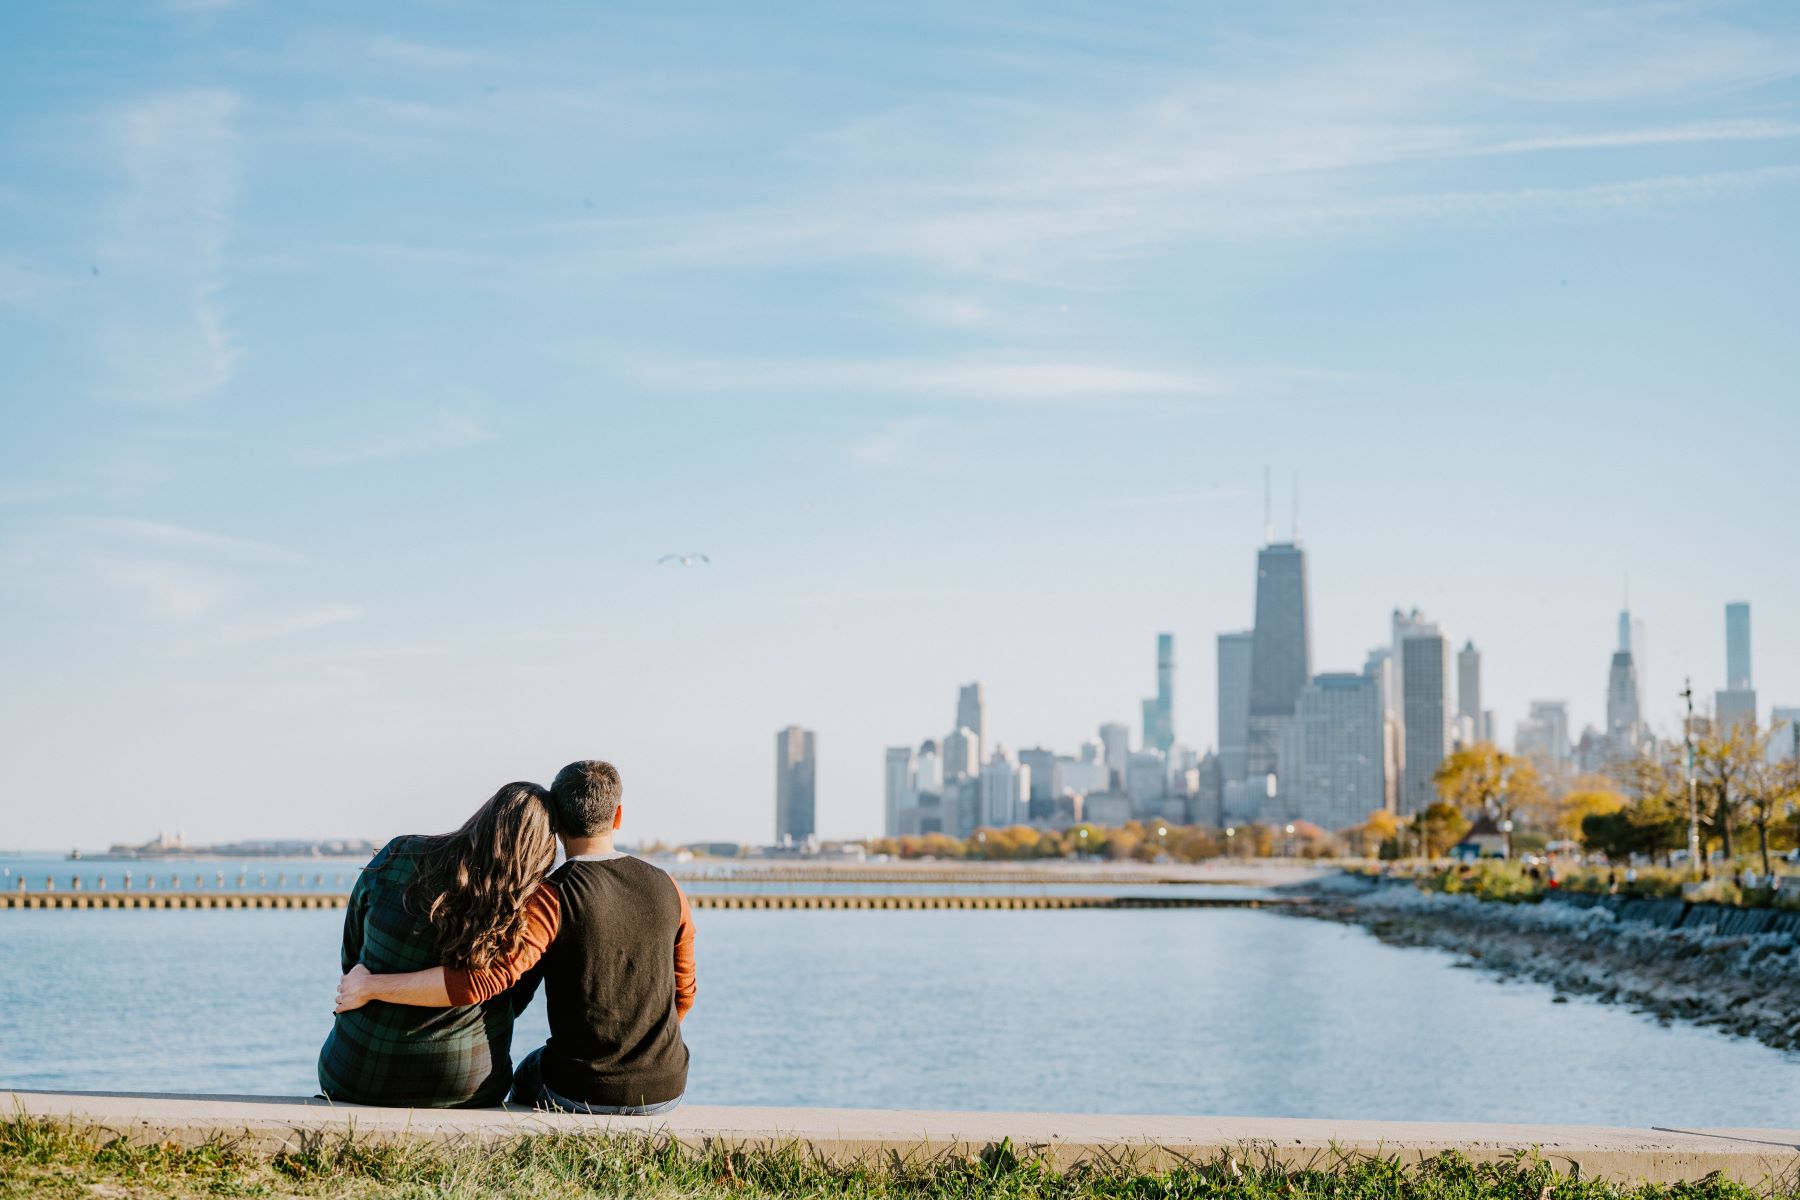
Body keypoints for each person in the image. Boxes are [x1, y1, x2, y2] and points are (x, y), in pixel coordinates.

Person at [337, 760, 696, 1114]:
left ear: (556, 824)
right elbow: (684, 993)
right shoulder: (670, 887)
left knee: (526, 1070)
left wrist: (371, 986)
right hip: (668, 1088)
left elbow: (481, 982)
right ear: (617, 816)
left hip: (579, 1090)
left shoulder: (551, 897)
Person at [317, 782, 559, 1107]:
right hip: (464, 1085)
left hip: (351, 1073)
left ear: (483, 816)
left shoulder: (399, 854)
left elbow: (353, 954)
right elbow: (517, 996)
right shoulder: (529, 905)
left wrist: (372, 987)